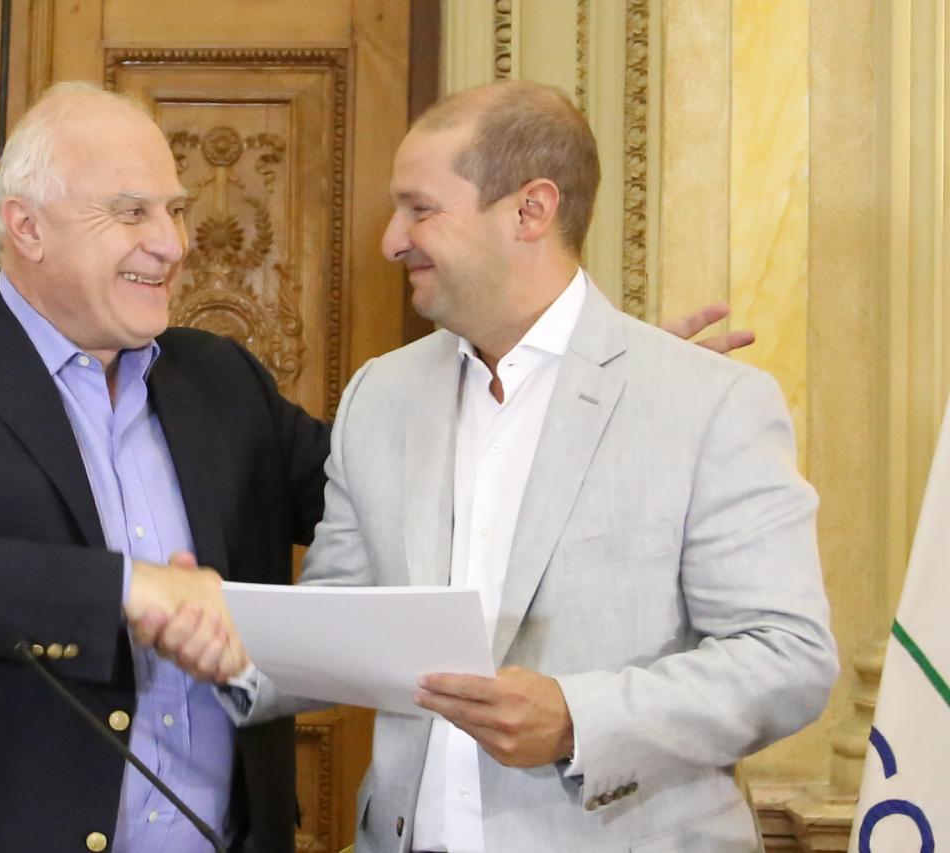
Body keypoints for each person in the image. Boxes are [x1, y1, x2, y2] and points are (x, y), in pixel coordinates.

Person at [219, 79, 838, 852]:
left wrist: (579, 718)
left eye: (420, 209)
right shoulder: (379, 396)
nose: (391, 240)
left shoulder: (710, 402)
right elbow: (338, 625)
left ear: (530, 210)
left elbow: (787, 655)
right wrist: (201, 637)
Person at [0, 81, 327, 853]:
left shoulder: (223, 380)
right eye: (132, 212)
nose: (172, 243)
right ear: (28, 227)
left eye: (175, 210)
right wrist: (126, 588)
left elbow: (376, 501)